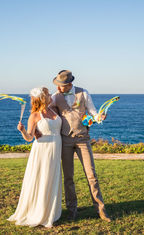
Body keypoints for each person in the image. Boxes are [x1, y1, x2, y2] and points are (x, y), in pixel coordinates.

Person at [51, 70, 111, 222]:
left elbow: (93, 112)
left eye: (61, 85)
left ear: (69, 84)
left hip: (83, 139)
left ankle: (101, 210)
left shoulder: (83, 93)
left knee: (91, 175)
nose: (58, 88)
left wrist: (99, 117)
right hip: (65, 140)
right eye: (57, 85)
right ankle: (72, 210)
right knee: (68, 178)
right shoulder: (55, 96)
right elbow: (46, 113)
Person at [7, 87, 62, 228]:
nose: (51, 95)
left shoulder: (52, 110)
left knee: (52, 178)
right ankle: (39, 212)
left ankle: (50, 211)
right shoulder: (35, 116)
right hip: (42, 151)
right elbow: (29, 138)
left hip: (55, 150)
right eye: (48, 94)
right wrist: (23, 130)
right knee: (42, 178)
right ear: (43, 98)